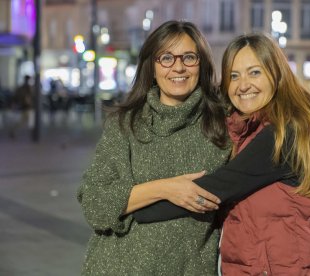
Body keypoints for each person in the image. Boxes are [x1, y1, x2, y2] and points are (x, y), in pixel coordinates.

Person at [133, 33, 310, 275]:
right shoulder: (262, 127)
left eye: (254, 72)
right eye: (234, 75)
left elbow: (214, 190)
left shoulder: (283, 135)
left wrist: (133, 205)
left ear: (276, 75)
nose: (243, 85)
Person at [77, 20, 232, 275]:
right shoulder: (126, 124)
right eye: (166, 58)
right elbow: (95, 204)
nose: (178, 67)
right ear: (152, 65)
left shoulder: (222, 124)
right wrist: (166, 189)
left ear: (202, 63)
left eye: (189, 57)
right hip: (117, 267)